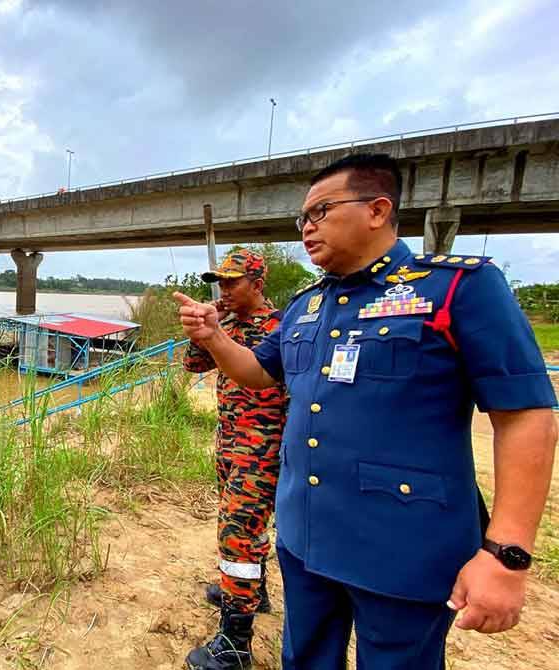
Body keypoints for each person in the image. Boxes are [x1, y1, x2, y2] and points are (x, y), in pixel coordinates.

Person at [175, 153, 558, 669]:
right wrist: (214, 336)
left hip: (403, 546)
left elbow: (526, 416)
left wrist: (506, 555)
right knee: (305, 657)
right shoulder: (308, 305)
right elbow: (259, 372)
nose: (307, 228)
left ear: (377, 209)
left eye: (320, 212)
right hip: (307, 537)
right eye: (302, 220)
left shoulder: (456, 288)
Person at [182, 249, 286, 670]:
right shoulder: (227, 323)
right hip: (229, 442)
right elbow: (193, 365)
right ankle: (253, 592)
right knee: (244, 529)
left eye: (232, 281)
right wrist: (202, 329)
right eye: (220, 281)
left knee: (238, 533)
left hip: (262, 448)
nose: (223, 288)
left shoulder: (279, 327)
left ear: (257, 284)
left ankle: (235, 643)